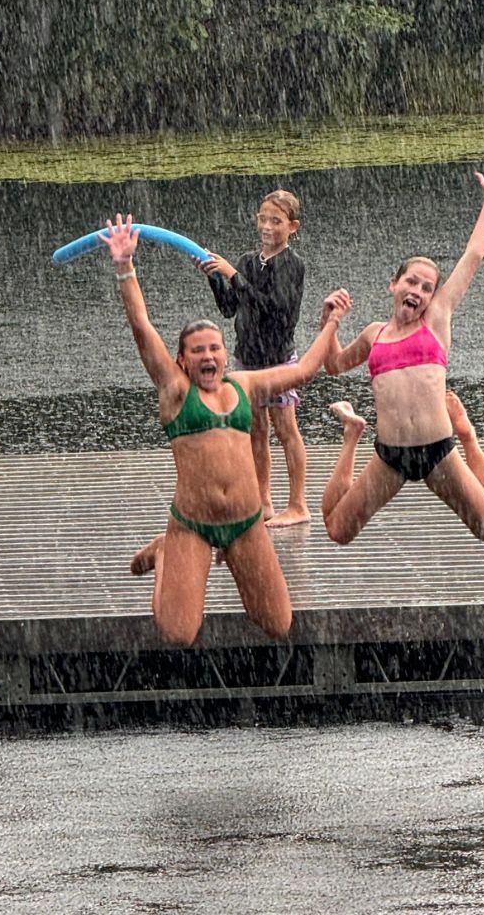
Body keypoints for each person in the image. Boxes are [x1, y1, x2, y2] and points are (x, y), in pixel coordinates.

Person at [100, 214, 353, 646]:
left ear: (224, 351)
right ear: (182, 360)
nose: (208, 356)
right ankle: (168, 550)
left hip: (246, 523)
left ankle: (223, 559)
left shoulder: (245, 383)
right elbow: (142, 327)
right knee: (178, 633)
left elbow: (307, 370)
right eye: (198, 351)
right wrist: (125, 266)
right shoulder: (175, 391)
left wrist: (331, 322)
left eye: (215, 348)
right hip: (194, 524)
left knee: (277, 623)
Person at [321, 169, 484, 545]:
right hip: (390, 454)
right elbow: (335, 364)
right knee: (337, 530)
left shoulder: (435, 322)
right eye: (411, 281)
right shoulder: (374, 334)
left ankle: (469, 435)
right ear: (394, 284)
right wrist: (329, 322)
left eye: (427, 288)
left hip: (438, 448)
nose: (418, 291)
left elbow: (472, 256)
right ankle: (351, 435)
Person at [201, 189, 312, 527]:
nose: (267, 226)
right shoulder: (249, 261)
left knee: (286, 428)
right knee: (255, 430)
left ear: (292, 226)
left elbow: (275, 310)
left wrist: (234, 276)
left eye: (276, 221)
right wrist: (214, 277)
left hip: (277, 359)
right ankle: (262, 499)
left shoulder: (293, 265)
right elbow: (230, 307)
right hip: (247, 358)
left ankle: (298, 503)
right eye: (262, 219)